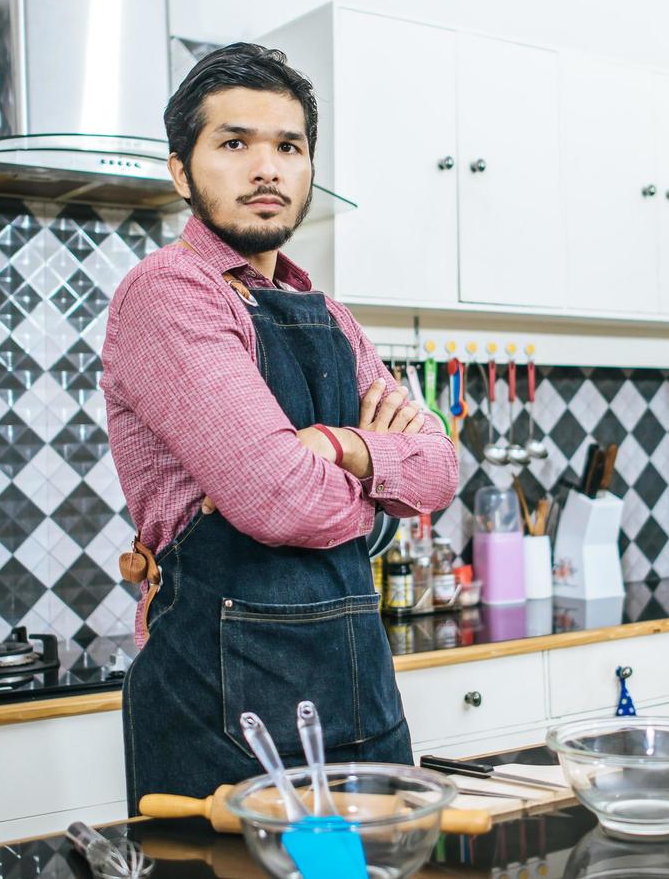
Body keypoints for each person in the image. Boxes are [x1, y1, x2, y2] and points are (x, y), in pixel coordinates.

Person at [100, 43, 460, 812]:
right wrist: (373, 482)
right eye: (234, 144)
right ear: (180, 170)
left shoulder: (330, 315)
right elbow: (281, 502)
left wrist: (335, 445)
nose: (266, 169)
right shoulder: (168, 293)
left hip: (363, 695)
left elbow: (439, 472)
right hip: (221, 713)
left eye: (288, 147)